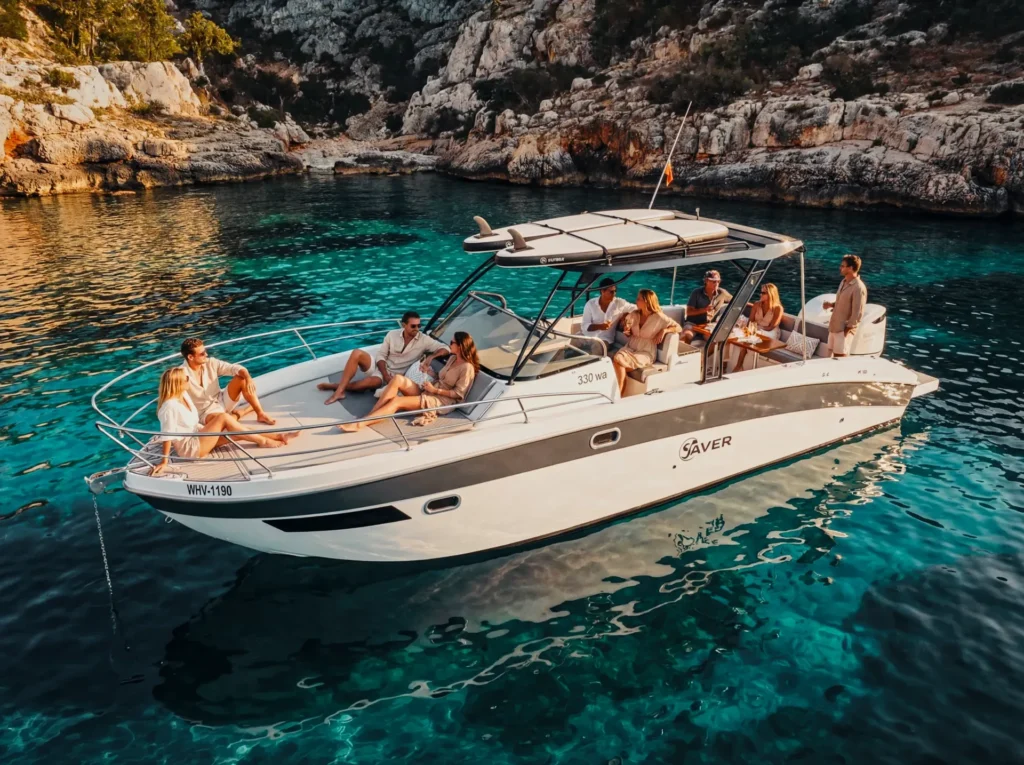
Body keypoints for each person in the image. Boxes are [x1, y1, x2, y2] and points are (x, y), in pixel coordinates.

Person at [150, 368, 298, 476]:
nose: (189, 379)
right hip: (191, 449)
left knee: (236, 431)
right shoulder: (169, 406)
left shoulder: (183, 395)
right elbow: (167, 435)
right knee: (223, 417)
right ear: (178, 383)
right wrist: (164, 462)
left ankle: (279, 436)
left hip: (199, 435)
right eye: (186, 378)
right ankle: (264, 442)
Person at [339, 332, 479, 432]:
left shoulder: (467, 368)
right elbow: (443, 379)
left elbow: (458, 394)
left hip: (440, 402)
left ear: (460, 346)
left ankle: (360, 424)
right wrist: (432, 374)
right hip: (429, 391)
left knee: (396, 402)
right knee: (398, 379)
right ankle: (372, 415)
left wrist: (435, 390)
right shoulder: (452, 359)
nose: (450, 344)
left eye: (452, 342)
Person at [318, 311, 449, 404]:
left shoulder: (424, 340)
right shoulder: (392, 334)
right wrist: (384, 373)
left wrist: (431, 357)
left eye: (419, 326)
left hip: (394, 375)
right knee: (356, 352)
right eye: (413, 326)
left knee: (369, 383)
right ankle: (339, 391)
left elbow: (445, 348)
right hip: (381, 367)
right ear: (404, 325)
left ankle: (335, 386)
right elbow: (381, 355)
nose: (417, 329)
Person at [180, 338, 276, 426]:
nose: (206, 355)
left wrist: (248, 377)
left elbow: (233, 368)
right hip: (205, 413)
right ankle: (241, 412)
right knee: (224, 423)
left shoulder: (211, 362)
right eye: (202, 354)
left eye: (205, 351)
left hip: (221, 400)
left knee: (241, 378)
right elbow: (176, 400)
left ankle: (260, 414)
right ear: (190, 357)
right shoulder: (180, 375)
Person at [612, 289, 681, 396]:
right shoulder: (634, 314)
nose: (636, 300)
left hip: (646, 351)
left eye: (639, 299)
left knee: (618, 361)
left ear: (647, 301)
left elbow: (678, 327)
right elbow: (627, 327)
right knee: (617, 361)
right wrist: (627, 331)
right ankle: (620, 394)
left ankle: (619, 393)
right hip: (631, 347)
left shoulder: (659, 317)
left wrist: (664, 330)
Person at [822, 254, 867, 358]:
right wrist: (831, 305)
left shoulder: (858, 288)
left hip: (843, 330)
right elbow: (844, 303)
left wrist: (846, 332)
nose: (840, 268)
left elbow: (857, 313)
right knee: (829, 356)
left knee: (840, 358)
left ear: (851, 268)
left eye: (843, 266)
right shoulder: (843, 282)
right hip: (834, 326)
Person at [733, 283, 784, 371]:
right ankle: (739, 366)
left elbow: (772, 327)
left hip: (771, 332)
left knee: (748, 338)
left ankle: (738, 366)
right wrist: (751, 329)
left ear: (770, 294)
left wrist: (756, 330)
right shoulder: (756, 304)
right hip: (756, 328)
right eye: (761, 292)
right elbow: (751, 321)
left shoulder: (778, 308)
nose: (760, 294)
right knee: (741, 335)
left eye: (763, 293)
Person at [581, 278, 636, 351]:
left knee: (596, 348)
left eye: (615, 291)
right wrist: (600, 326)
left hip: (605, 340)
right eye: (611, 292)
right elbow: (585, 325)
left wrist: (626, 316)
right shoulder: (590, 304)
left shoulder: (619, 303)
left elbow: (636, 308)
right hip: (586, 337)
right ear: (602, 291)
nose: (614, 294)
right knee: (571, 344)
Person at [681, 270, 733, 344]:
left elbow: (736, 300)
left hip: (708, 326)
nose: (716, 284)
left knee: (717, 341)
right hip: (693, 323)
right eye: (714, 281)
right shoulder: (696, 292)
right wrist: (704, 310)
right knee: (686, 335)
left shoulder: (722, 293)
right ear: (706, 281)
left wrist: (753, 306)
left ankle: (704, 355)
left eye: (718, 281)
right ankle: (683, 354)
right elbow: (689, 312)